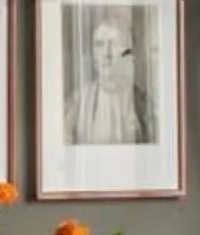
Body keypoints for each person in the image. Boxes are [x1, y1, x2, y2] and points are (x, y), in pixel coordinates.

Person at [66, 14, 153, 146]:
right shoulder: (77, 103)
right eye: (99, 45)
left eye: (114, 44)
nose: (106, 54)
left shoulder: (145, 106)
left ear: (129, 53)